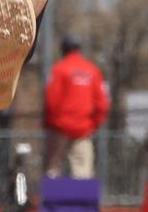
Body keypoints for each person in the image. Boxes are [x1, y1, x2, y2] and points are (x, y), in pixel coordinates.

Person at [42, 34, 109, 179]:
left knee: (53, 170)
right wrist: (92, 124)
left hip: (59, 129)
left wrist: (52, 124)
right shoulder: (92, 70)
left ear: (63, 49)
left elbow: (51, 100)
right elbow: (102, 104)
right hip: (83, 130)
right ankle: (80, 201)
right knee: (82, 173)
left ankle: (54, 200)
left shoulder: (59, 69)